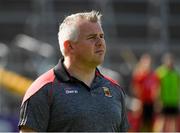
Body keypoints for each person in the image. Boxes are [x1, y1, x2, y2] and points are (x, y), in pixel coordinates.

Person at [18, 10, 129, 132]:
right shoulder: (43, 90)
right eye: (92, 37)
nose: (100, 43)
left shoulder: (115, 89)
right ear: (69, 46)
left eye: (101, 36)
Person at [131, 53, 160, 131]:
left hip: (150, 102)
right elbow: (135, 89)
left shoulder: (153, 75)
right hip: (142, 102)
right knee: (139, 124)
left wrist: (157, 101)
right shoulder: (139, 75)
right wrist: (138, 101)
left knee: (151, 123)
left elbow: (156, 89)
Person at [153, 53, 180, 132]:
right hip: (163, 100)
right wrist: (157, 100)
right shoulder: (160, 73)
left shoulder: (176, 73)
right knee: (161, 120)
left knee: (173, 121)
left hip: (174, 101)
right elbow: (156, 88)